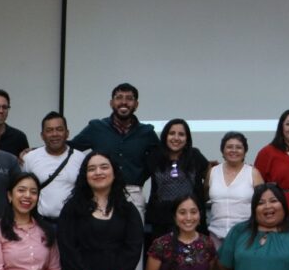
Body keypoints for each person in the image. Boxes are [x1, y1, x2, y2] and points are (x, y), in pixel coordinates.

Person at [69, 82, 160, 226]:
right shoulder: (96, 127)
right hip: (101, 192)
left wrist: (139, 176)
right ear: (111, 103)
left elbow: (160, 158)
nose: (124, 102)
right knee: (101, 236)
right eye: (119, 98)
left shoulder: (147, 132)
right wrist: (37, 150)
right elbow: (70, 148)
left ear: (136, 104)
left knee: (134, 237)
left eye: (129, 98)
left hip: (133, 192)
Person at [205, 131, 263, 270]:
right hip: (216, 233)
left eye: (238, 147)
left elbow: (263, 204)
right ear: (222, 150)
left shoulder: (253, 173)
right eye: (229, 146)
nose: (234, 150)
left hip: (245, 235)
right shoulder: (212, 172)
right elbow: (204, 199)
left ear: (245, 151)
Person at [144, 118, 209, 242]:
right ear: (165, 136)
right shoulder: (155, 156)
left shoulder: (195, 155)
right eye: (172, 133)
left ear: (187, 138)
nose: (176, 138)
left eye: (181, 134)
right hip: (161, 221)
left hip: (191, 219)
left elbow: (210, 176)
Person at [23, 111, 88, 225]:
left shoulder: (81, 158)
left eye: (59, 129)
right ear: (42, 135)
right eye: (49, 130)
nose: (54, 134)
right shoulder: (30, 158)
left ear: (67, 133)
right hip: (40, 223)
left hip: (73, 223)